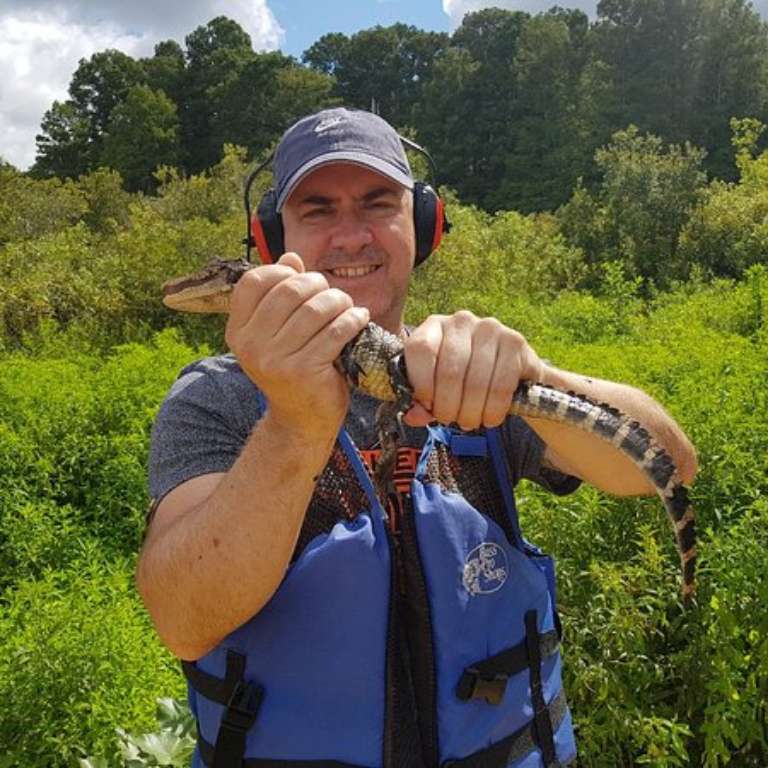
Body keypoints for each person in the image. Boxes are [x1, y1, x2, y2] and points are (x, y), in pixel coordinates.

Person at [137, 107, 697, 767]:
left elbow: (669, 464)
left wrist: (535, 380)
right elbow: (183, 621)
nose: (351, 237)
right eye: (317, 210)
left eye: (378, 204)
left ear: (423, 225)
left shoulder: (469, 373)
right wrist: (295, 422)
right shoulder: (215, 397)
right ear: (268, 241)